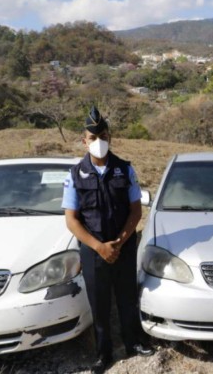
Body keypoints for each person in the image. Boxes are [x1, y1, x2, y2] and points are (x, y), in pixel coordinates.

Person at [62, 106, 152, 374]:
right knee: (99, 304)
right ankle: (104, 353)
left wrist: (120, 242)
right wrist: (99, 247)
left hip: (123, 247)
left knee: (127, 298)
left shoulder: (125, 170)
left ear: (109, 137)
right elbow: (72, 220)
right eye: (93, 137)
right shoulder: (75, 174)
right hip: (93, 251)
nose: (98, 141)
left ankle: (133, 342)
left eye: (102, 135)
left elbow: (136, 211)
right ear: (84, 141)